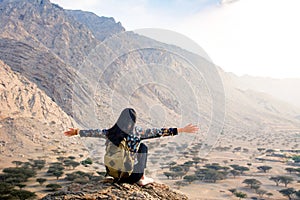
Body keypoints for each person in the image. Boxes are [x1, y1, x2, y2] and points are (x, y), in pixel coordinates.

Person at [64, 108, 199, 186]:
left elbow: (93, 132)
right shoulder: (137, 132)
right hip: (131, 177)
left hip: (115, 175)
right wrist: (181, 130)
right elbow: (159, 132)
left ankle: (115, 176)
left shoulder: (110, 132)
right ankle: (142, 178)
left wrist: (76, 132)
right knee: (143, 147)